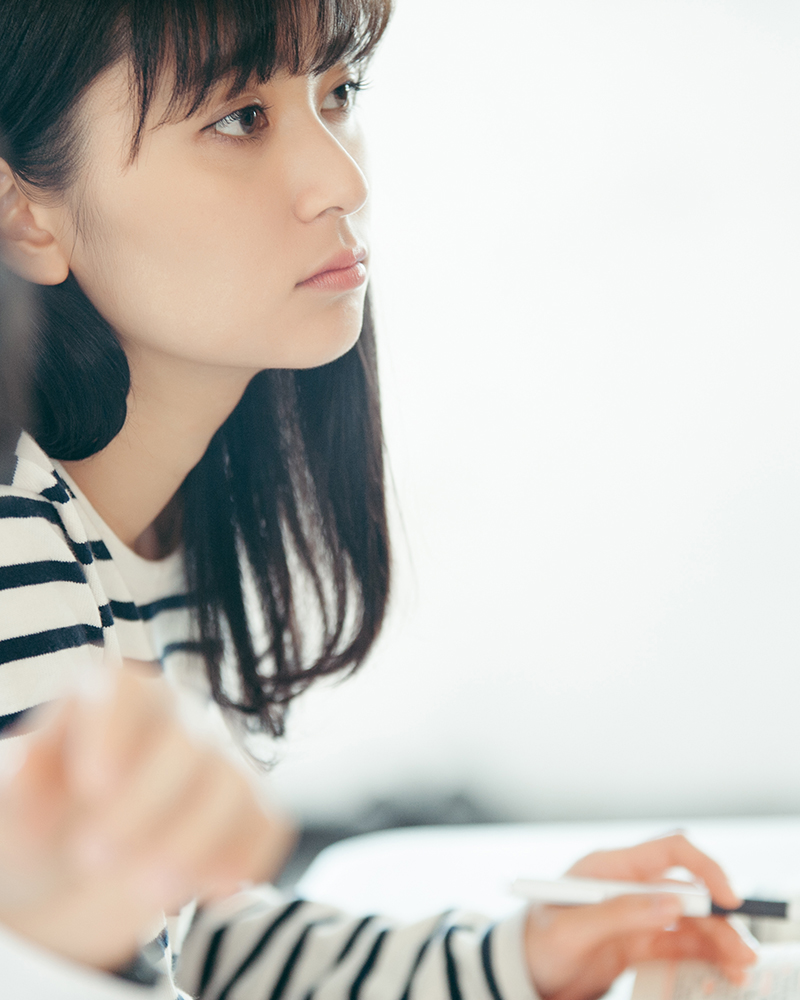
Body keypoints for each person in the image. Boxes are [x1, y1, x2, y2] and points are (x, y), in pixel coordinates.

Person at [0, 0, 758, 997]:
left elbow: (186, 939)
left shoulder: (142, 525)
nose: (344, 179)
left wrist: (511, 957)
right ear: (26, 215)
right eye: (239, 117)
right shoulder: (17, 544)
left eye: (337, 93)